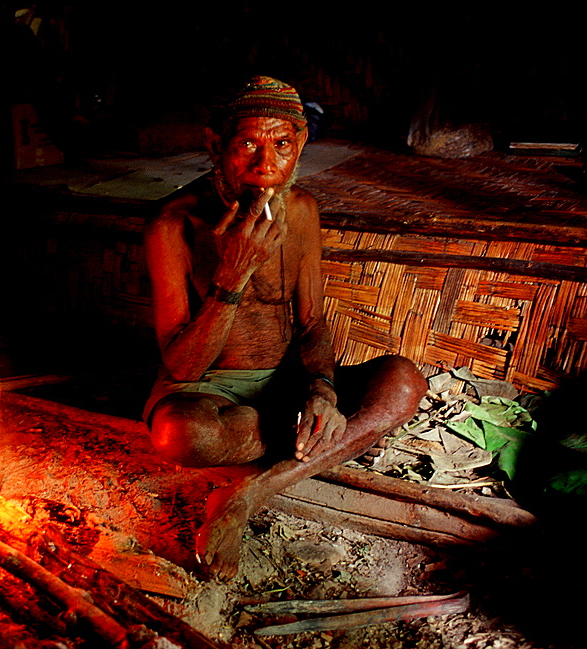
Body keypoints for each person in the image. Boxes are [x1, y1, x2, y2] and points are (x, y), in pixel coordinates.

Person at [142, 76, 427, 580]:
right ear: (216, 145)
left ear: (301, 146)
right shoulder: (174, 225)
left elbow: (311, 322)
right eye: (247, 144)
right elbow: (181, 364)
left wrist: (322, 391)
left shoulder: (302, 211)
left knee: (403, 381)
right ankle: (319, 446)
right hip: (211, 393)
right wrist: (231, 279)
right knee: (178, 435)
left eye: (282, 145)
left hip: (289, 385)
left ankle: (249, 492)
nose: (266, 165)